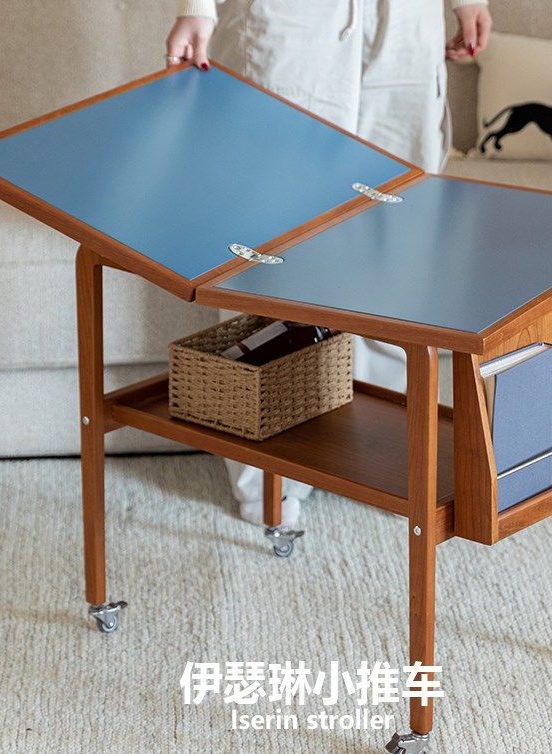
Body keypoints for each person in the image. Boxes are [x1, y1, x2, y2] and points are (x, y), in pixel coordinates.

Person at [166, 0, 493, 528]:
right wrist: (197, 7)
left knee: (399, 247)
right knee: (269, 254)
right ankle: (268, 477)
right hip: (289, 28)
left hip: (404, 35)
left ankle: (383, 456)